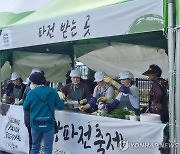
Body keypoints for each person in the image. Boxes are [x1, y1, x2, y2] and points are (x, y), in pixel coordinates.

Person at [23, 72, 64, 154]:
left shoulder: (31, 93)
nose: (30, 84)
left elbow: (25, 107)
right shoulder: (52, 91)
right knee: (48, 148)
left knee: (35, 147)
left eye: (31, 82)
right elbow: (60, 106)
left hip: (35, 124)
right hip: (49, 124)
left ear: (34, 82)